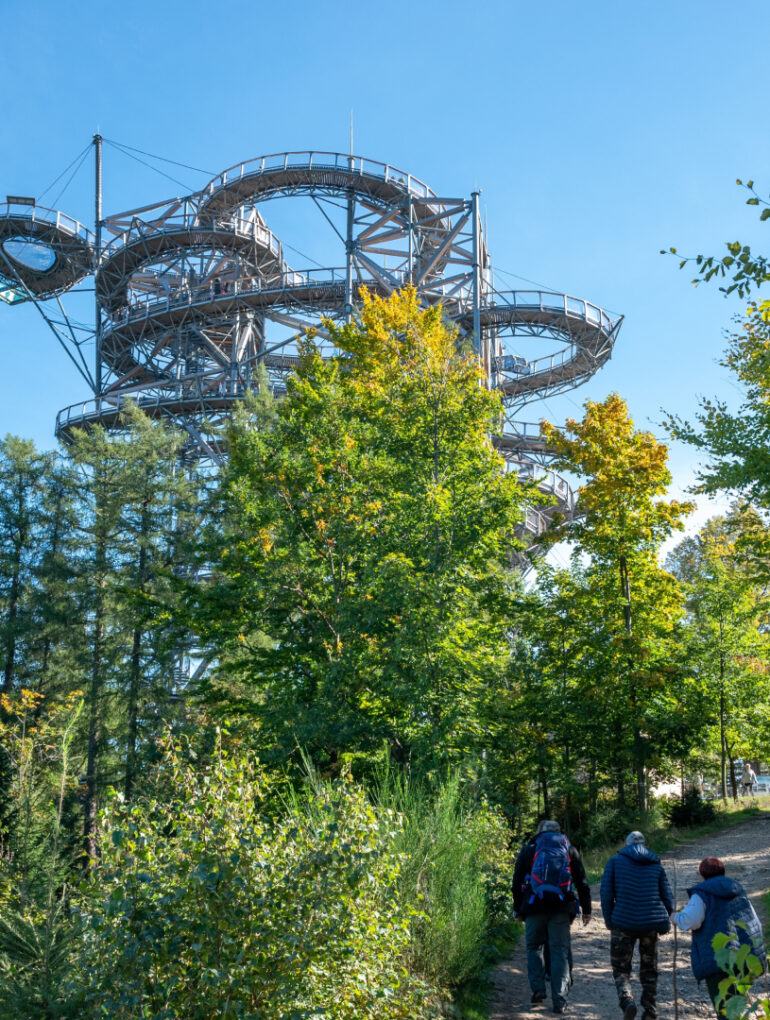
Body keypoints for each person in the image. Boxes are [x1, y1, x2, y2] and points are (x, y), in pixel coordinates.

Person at [670, 856, 766, 1019]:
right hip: (744, 958)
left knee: (724, 1010)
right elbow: (753, 921)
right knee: (736, 1006)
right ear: (723, 872)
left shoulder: (701, 894)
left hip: (719, 961)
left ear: (702, 875)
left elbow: (690, 921)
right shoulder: (737, 890)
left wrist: (675, 917)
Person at [512, 819, 592, 1015]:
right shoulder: (569, 849)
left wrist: (518, 909)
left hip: (534, 906)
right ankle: (560, 999)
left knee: (534, 947)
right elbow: (581, 881)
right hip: (561, 908)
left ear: (540, 831)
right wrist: (587, 909)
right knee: (559, 951)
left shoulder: (529, 849)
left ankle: (538, 989)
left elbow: (516, 882)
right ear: (559, 832)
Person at [600, 831, 674, 1020]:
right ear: (644, 845)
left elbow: (606, 894)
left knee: (621, 967)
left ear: (626, 845)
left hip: (623, 923)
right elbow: (666, 894)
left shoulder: (614, 862)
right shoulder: (655, 863)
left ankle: (627, 1000)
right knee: (650, 969)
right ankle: (650, 1009)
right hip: (650, 924)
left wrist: (609, 920)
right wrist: (669, 918)